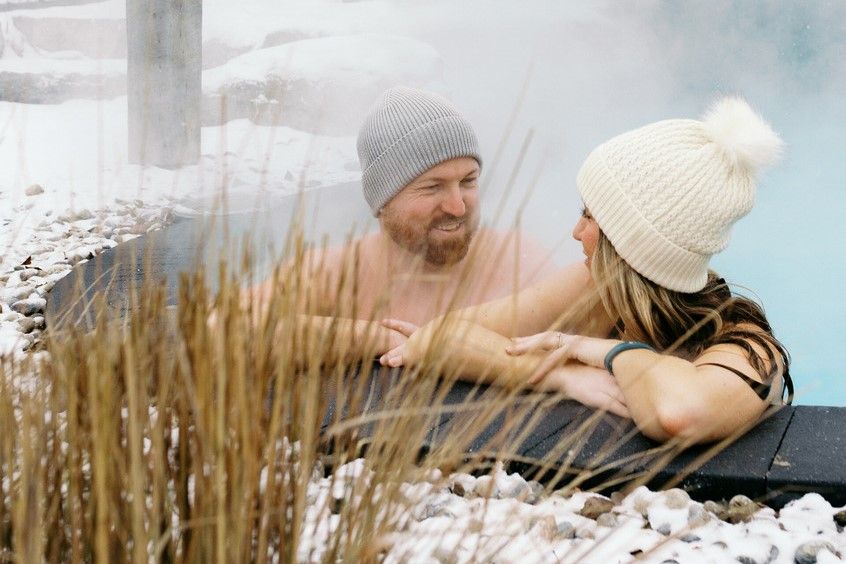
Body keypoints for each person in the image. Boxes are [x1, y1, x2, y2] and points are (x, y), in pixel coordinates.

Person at [379, 97, 793, 444]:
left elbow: (678, 412)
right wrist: (560, 375)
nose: (576, 232)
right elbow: (440, 337)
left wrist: (601, 351)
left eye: (590, 217)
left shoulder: (748, 345)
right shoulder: (594, 291)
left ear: (629, 246)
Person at [246, 86, 559, 360]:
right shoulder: (336, 274)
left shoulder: (517, 256)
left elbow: (590, 315)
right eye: (432, 187)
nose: (457, 205)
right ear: (383, 201)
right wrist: (376, 337)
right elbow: (223, 326)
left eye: (468, 181)